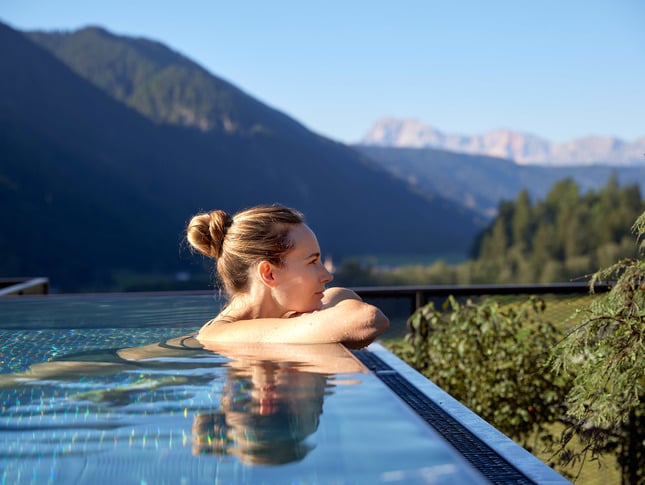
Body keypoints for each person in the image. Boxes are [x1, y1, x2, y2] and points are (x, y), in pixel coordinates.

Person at [186, 204, 389, 348]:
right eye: (312, 262)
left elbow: (344, 296)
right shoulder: (222, 336)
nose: (327, 275)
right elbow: (368, 319)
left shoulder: (272, 321)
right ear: (269, 274)